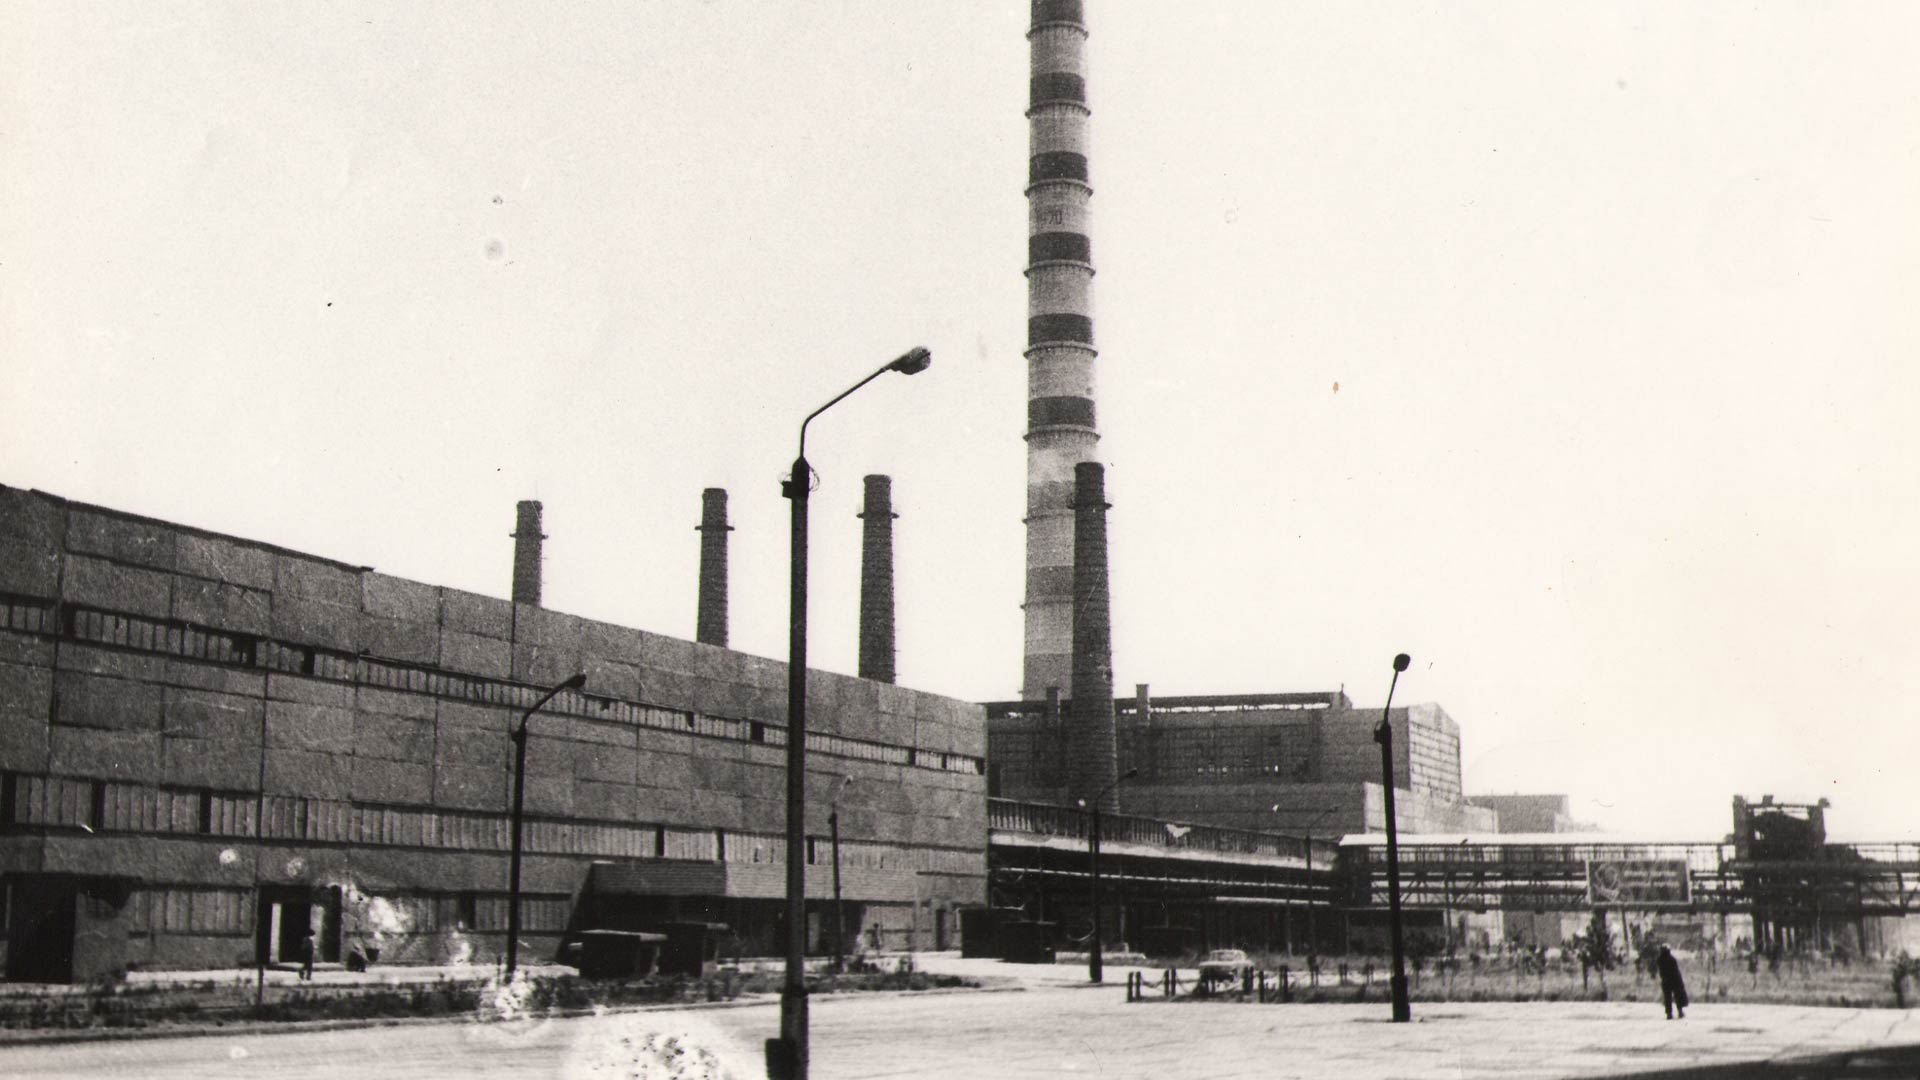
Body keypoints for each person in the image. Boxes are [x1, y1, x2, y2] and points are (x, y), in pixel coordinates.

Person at [1655, 944, 1688, 1019]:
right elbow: (1676, 971)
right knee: (1678, 996)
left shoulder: (1659, 960)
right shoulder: (1672, 959)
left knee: (1667, 998)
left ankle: (1669, 1014)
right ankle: (1680, 1012)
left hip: (1665, 980)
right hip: (1675, 980)